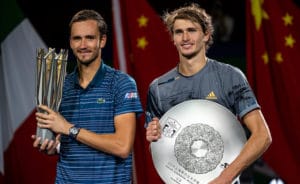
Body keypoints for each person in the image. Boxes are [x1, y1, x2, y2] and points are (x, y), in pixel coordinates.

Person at [145, 3, 272, 184]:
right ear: (173, 38)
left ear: (206, 35)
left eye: (192, 30)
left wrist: (223, 179)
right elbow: (157, 147)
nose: (185, 37)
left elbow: (262, 136)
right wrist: (154, 136)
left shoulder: (230, 76)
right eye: (179, 32)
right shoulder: (158, 88)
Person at [32, 9, 143, 183]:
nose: (83, 45)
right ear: (70, 42)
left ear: (102, 41)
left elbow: (122, 146)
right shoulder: (60, 87)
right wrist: (51, 146)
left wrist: (69, 128)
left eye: (90, 38)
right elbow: (65, 142)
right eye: (77, 38)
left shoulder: (122, 83)